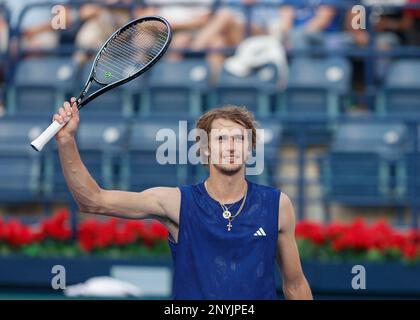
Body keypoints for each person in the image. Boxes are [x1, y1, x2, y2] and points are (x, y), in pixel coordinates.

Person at [52, 97, 313, 300]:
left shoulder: (277, 205)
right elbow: (94, 200)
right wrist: (66, 142)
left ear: (250, 149)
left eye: (239, 139)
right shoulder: (175, 203)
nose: (231, 146)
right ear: (206, 148)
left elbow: (295, 284)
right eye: (221, 139)